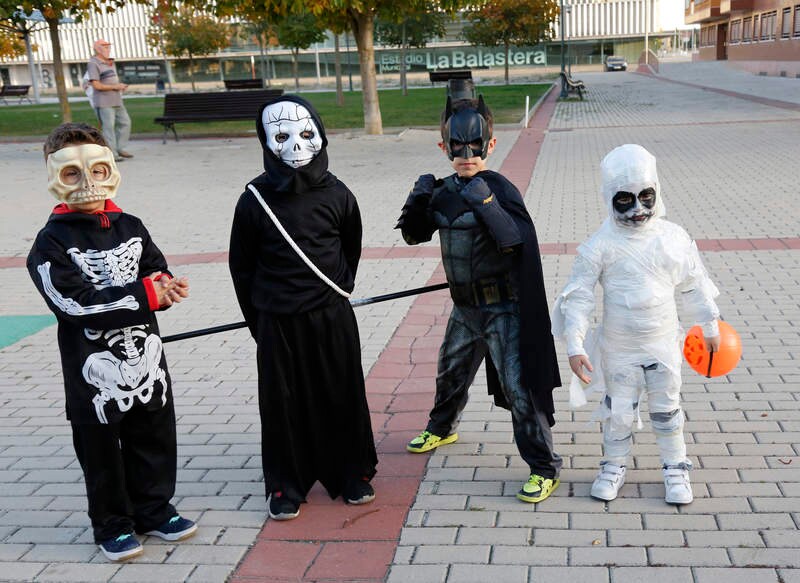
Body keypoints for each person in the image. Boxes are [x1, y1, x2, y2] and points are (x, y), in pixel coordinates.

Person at [26, 122, 196, 561]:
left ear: (111, 170)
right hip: (92, 369)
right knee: (102, 449)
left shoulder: (131, 225)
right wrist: (144, 295)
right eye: (72, 174)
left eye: (98, 170)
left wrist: (166, 289)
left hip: (146, 355)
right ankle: (113, 524)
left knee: (154, 435)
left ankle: (154, 510)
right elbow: (72, 303)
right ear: (54, 177)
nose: (88, 184)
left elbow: (154, 269)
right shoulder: (50, 243)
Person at [396, 95, 563, 504]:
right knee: (449, 372)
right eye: (457, 147)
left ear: (490, 145)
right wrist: (417, 203)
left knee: (519, 388)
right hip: (465, 308)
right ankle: (441, 427)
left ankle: (544, 467)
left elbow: (515, 242)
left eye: (475, 147)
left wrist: (486, 204)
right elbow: (414, 235)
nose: (466, 155)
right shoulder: (442, 192)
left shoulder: (500, 190)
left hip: (502, 310)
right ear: (444, 148)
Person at [229, 95, 377, 521]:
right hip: (278, 319)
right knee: (282, 400)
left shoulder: (339, 193)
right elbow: (242, 265)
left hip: (331, 314)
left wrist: (336, 290)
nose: (295, 143)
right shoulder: (254, 200)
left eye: (305, 132)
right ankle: (285, 482)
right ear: (266, 141)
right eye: (282, 135)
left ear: (319, 133)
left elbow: (351, 247)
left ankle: (351, 471)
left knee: (341, 391)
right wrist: (259, 320)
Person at [551, 144, 721, 505]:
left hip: (661, 343)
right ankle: (613, 465)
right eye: (625, 200)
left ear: (657, 190)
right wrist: (575, 344)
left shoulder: (672, 237)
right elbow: (578, 296)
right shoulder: (601, 245)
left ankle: (675, 467)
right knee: (619, 412)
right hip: (620, 347)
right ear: (609, 197)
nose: (638, 210)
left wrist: (709, 326)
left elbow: (694, 282)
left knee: (667, 407)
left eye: (646, 197)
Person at [86, 39, 133, 161]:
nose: (108, 49)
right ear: (97, 48)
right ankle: (112, 154)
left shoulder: (109, 63)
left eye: (108, 46)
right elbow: (96, 85)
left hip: (117, 100)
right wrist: (115, 86)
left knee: (125, 123)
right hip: (104, 102)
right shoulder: (93, 63)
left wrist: (119, 86)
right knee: (108, 128)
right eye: (105, 46)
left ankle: (120, 148)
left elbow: (110, 81)